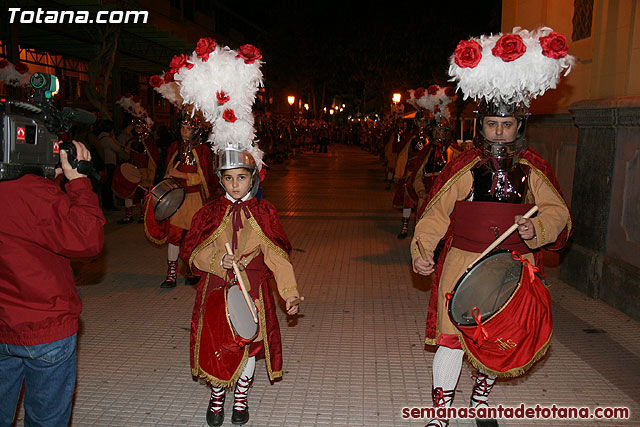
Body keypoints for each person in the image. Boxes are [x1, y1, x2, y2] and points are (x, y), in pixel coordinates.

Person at [411, 28, 575, 427]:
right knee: (452, 339)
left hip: (513, 267)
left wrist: (537, 231)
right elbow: (434, 213)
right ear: (480, 125)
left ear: (519, 126)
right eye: (492, 124)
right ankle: (441, 410)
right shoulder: (464, 164)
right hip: (462, 261)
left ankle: (481, 398)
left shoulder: (533, 167)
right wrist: (422, 250)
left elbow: (557, 212)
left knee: (497, 335)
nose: (500, 132)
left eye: (507, 125)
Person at [173, 37, 301, 427]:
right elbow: (192, 256)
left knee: (248, 348)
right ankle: (216, 397)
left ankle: (241, 397)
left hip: (255, 291)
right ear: (221, 178)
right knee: (219, 346)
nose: (233, 184)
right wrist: (218, 259)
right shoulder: (210, 212)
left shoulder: (263, 211)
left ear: (253, 177)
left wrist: (290, 293)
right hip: (216, 289)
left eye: (241, 177)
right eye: (227, 178)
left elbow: (278, 256)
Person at [0, 140, 105, 426]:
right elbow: (87, 238)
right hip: (47, 326)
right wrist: (79, 181)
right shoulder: (34, 192)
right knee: (46, 420)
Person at [144, 111, 216, 288]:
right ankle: (171, 274)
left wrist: (181, 174)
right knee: (174, 236)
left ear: (196, 131)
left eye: (188, 129)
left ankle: (193, 269)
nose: (184, 132)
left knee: (195, 236)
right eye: (182, 128)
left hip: (194, 200)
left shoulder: (203, 150)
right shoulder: (174, 147)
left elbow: (203, 178)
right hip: (177, 201)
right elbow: (168, 170)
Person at [117, 118, 160, 224]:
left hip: (146, 170)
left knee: (143, 193)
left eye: (140, 127)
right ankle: (129, 215)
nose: (138, 130)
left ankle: (143, 214)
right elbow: (127, 156)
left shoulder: (149, 141)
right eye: (136, 128)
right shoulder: (132, 141)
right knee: (129, 192)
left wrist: (151, 170)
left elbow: (154, 157)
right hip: (134, 170)